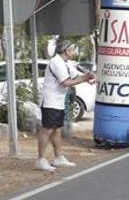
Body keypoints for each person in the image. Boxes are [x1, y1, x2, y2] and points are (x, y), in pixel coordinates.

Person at [36, 40, 96, 171]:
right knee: (48, 129)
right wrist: (84, 78)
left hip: (58, 101)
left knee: (57, 129)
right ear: (66, 51)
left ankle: (58, 157)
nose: (74, 52)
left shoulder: (67, 63)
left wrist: (88, 78)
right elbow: (66, 82)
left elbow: (76, 76)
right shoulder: (56, 62)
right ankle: (41, 159)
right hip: (50, 100)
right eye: (73, 49)